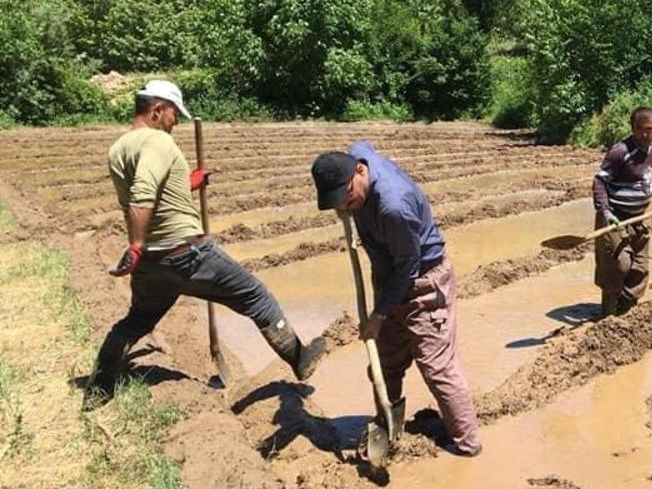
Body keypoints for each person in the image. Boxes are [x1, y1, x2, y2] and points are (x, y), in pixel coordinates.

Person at [88, 80, 325, 405]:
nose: (177, 122)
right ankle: (301, 359)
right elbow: (143, 194)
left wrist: (189, 183)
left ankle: (99, 388)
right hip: (187, 253)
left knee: (137, 320)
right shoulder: (159, 143)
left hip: (154, 262)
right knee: (258, 298)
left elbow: (158, 194)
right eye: (174, 115)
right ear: (157, 111)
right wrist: (135, 244)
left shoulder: (119, 149)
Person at [310, 142, 481, 457]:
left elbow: (408, 269)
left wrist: (379, 316)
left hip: (422, 284)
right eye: (338, 203)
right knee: (386, 361)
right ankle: (388, 425)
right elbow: (361, 145)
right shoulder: (356, 160)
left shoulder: (394, 205)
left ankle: (467, 444)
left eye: (347, 198)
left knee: (436, 367)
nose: (345, 207)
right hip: (389, 278)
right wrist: (345, 205)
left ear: (361, 172)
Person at [592, 106, 652, 317]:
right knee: (618, 265)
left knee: (639, 269)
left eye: (649, 129)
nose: (645, 134)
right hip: (614, 217)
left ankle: (625, 312)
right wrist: (605, 212)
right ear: (632, 128)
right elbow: (599, 182)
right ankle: (607, 316)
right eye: (640, 129)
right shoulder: (620, 152)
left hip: (638, 217)